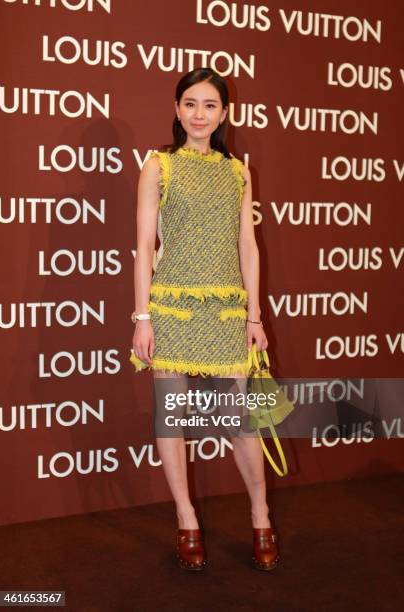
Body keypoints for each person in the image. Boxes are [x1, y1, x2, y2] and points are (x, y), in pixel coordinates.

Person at [130, 68, 279, 572]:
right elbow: (144, 247)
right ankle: (187, 519)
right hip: (170, 309)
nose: (199, 114)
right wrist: (142, 317)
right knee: (172, 420)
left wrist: (255, 316)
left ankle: (260, 514)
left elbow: (248, 247)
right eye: (190, 103)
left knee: (241, 423)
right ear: (176, 110)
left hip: (225, 312)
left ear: (223, 113)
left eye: (209, 105)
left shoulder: (238, 172)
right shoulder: (159, 166)